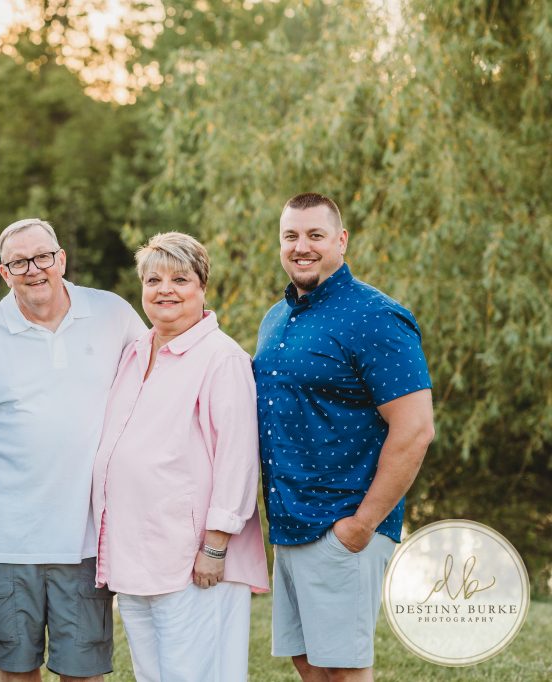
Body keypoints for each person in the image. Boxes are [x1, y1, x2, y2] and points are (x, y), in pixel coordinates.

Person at [255, 193, 434, 681]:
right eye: (290, 235)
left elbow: (415, 428)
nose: (301, 246)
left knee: (343, 671)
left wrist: (361, 525)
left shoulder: (375, 316)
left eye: (315, 234)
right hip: (290, 524)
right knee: (307, 663)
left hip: (344, 523)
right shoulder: (277, 317)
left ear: (341, 240)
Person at [0, 218, 146, 681]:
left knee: (83, 673)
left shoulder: (111, 314)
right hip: (6, 540)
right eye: (19, 262)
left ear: (61, 259)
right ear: (4, 272)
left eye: (43, 257)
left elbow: (159, 378)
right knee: (16, 672)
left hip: (84, 539)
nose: (34, 269)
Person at [90, 232, 269, 681]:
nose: (165, 289)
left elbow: (238, 460)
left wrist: (215, 546)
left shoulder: (220, 358)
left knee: (197, 674)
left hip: (192, 557)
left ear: (202, 286)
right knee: (153, 675)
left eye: (180, 279)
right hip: (137, 552)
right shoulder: (135, 353)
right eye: (153, 279)